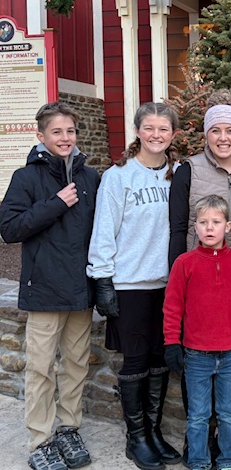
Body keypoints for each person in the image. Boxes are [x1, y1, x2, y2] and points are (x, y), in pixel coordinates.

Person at [0, 102, 99, 470]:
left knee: (76, 365)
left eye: (70, 131)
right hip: (43, 289)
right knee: (41, 369)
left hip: (80, 290)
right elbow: (9, 229)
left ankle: (69, 429)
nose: (65, 138)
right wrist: (55, 203)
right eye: (57, 132)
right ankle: (40, 440)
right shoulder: (26, 178)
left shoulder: (90, 177)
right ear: (41, 135)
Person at [87, 102, 182, 470]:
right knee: (136, 361)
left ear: (173, 134)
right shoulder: (119, 176)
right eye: (149, 128)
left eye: (163, 129)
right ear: (138, 131)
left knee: (159, 361)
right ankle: (136, 437)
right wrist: (102, 279)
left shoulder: (178, 174)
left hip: (168, 283)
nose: (156, 135)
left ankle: (154, 432)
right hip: (130, 283)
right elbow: (104, 230)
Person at [164, 194, 231, 470]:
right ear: (195, 227)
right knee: (198, 415)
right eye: (203, 222)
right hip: (196, 354)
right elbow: (172, 307)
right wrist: (172, 343)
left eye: (216, 222)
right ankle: (198, 462)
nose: (210, 228)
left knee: (228, 414)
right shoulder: (184, 263)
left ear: (228, 226)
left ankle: (227, 461)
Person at [169, 102, 231, 264]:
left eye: (230, 131)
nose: (223, 138)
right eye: (215, 131)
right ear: (207, 135)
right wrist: (177, 272)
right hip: (198, 267)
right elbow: (178, 231)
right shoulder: (189, 171)